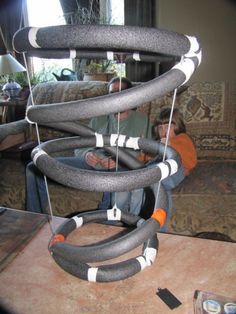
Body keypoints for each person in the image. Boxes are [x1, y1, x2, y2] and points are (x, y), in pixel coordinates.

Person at [26, 77, 153, 215]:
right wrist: (86, 154)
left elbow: (149, 155)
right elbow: (81, 145)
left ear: (131, 95)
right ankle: (36, 217)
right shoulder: (98, 118)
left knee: (114, 192)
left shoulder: (143, 121)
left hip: (120, 171)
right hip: (91, 165)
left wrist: (120, 162)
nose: (116, 95)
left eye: (122, 91)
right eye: (112, 92)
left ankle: (107, 220)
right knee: (34, 167)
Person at [149, 107, 197, 231]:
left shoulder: (182, 139)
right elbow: (142, 158)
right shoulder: (157, 143)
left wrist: (170, 145)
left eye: (168, 126)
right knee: (146, 182)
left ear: (177, 126)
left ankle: (160, 229)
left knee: (160, 185)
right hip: (154, 171)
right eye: (160, 127)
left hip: (176, 170)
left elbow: (191, 162)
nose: (163, 131)